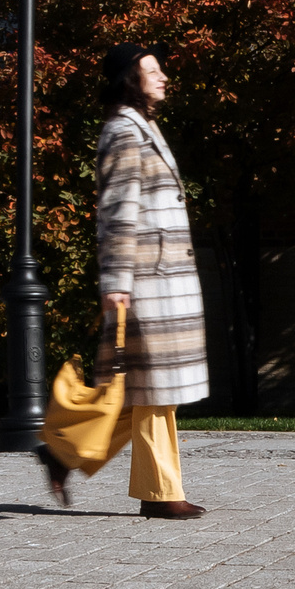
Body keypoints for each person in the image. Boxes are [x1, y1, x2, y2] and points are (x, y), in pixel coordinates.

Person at [34, 44, 209, 518]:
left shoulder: (143, 127)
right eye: (153, 70)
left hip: (163, 276)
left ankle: (62, 451)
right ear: (130, 79)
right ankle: (159, 495)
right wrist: (116, 279)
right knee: (156, 391)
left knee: (142, 390)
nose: (164, 77)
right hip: (146, 280)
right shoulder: (123, 131)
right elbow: (116, 211)